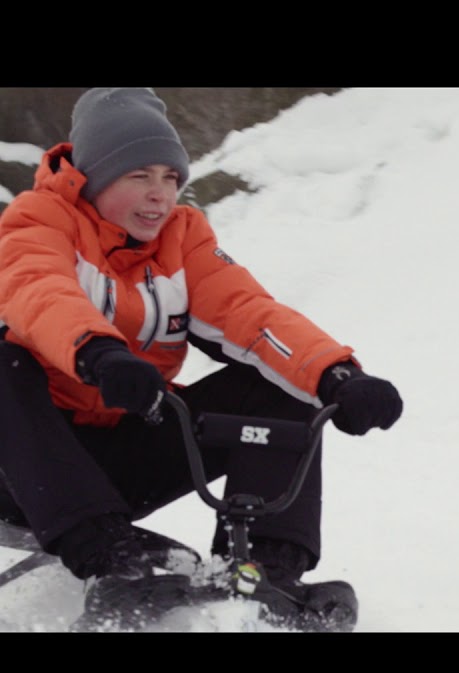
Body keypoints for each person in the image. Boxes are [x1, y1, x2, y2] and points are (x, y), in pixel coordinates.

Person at [0, 88, 403, 630]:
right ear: (94, 179)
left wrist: (337, 375)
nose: (160, 195)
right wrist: (98, 352)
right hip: (22, 468)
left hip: (116, 459)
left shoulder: (182, 237)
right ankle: (109, 555)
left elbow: (248, 313)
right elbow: (40, 293)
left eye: (171, 177)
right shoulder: (38, 221)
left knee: (283, 383)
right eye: (139, 175)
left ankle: (264, 573)